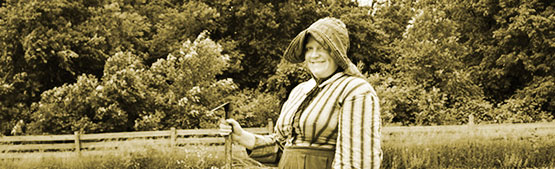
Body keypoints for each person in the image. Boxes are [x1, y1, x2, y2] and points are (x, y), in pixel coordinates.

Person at [220, 17, 381, 169]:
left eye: (322, 48)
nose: (314, 55)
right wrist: (241, 136)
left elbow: (357, 161)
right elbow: (281, 147)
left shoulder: (356, 91)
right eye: (309, 49)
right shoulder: (299, 91)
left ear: (336, 52)